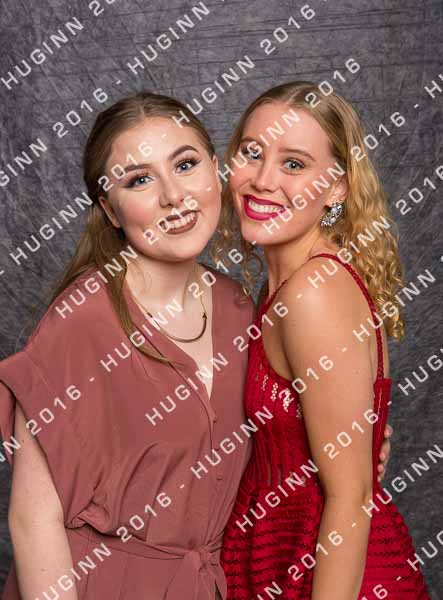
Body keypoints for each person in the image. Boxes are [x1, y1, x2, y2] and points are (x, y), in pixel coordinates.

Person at [0, 91, 392, 600]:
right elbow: (32, 521)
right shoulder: (81, 320)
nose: (173, 196)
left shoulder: (241, 309)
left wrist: (363, 443)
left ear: (212, 168)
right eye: (139, 180)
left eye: (184, 165)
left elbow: (296, 437)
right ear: (110, 209)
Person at [218, 81, 430, 599]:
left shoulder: (313, 292)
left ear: (337, 188)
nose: (263, 179)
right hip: (280, 558)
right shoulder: (285, 283)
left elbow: (351, 498)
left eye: (293, 164)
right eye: (252, 152)